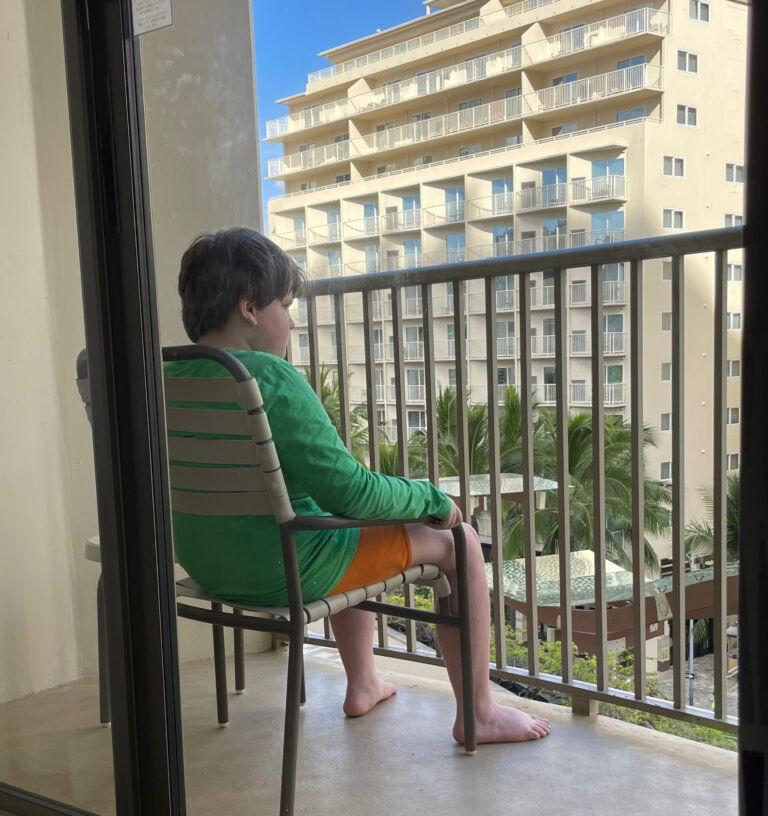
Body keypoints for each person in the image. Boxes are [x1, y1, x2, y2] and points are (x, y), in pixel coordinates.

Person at [169, 227, 550, 744]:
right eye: (285, 304)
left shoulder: (165, 375)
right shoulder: (269, 379)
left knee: (350, 528)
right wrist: (433, 499)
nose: (292, 319)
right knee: (459, 544)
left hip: (207, 562)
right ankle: (479, 714)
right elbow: (351, 494)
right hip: (281, 569)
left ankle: (365, 681)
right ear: (250, 309)